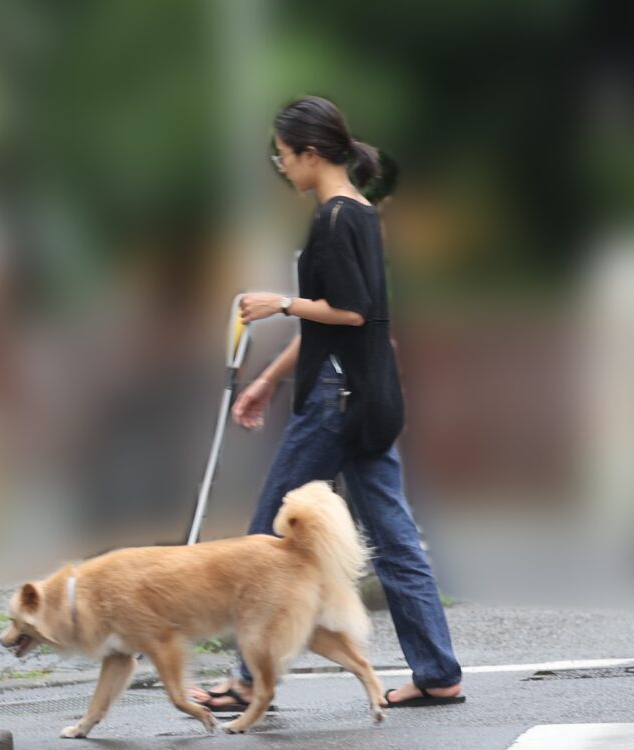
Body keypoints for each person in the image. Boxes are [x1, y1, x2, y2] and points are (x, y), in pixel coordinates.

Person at [189, 95, 464, 710]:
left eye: (282, 155)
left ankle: (247, 682)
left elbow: (350, 310)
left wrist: (278, 302)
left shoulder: (334, 220)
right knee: (395, 538)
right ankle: (438, 671)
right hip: (369, 394)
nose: (281, 166)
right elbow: (344, 325)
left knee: (265, 536)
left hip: (336, 403)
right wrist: (267, 380)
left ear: (311, 154)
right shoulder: (362, 214)